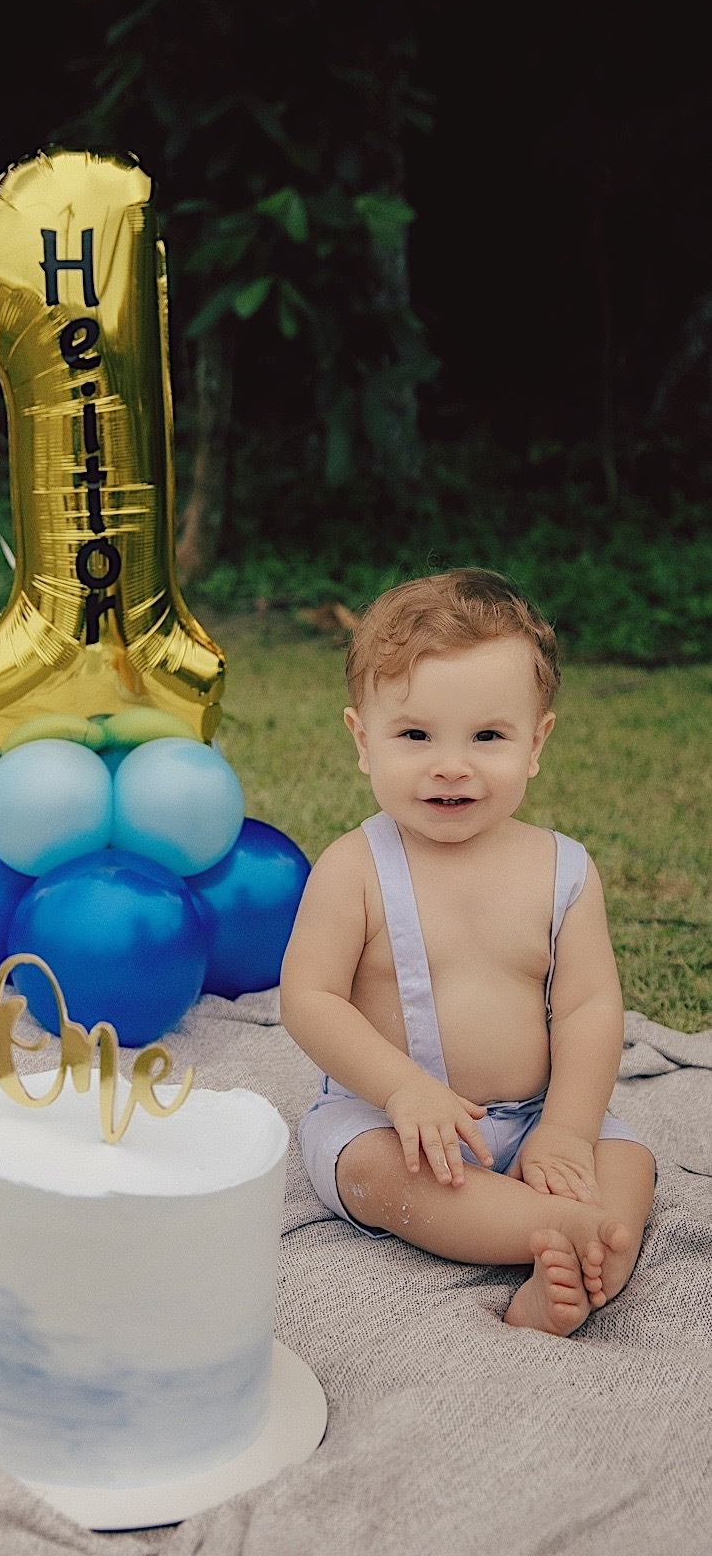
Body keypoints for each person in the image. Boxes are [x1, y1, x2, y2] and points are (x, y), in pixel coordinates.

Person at [280, 569, 656, 1336]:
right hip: (392, 1121)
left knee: (629, 1166)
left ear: (535, 742)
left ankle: (573, 1269)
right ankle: (551, 1232)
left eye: (487, 736)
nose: (450, 764)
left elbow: (588, 1008)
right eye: (414, 735)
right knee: (372, 1173)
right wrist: (400, 1090)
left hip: (536, 1117)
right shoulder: (352, 868)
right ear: (362, 740)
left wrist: (566, 1130)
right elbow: (308, 998)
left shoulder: (563, 870)